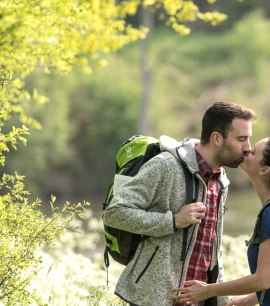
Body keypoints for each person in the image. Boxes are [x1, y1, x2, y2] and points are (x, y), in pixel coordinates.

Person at [102, 101, 256, 306]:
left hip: (199, 298)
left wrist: (219, 297)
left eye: (248, 139)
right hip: (155, 298)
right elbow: (115, 214)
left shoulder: (220, 179)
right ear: (217, 138)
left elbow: (211, 246)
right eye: (241, 139)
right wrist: (173, 220)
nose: (248, 148)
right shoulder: (166, 166)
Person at [173, 137, 270, 306]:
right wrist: (246, 301)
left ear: (264, 170)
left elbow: (262, 280)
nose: (247, 150)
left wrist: (207, 290)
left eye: (253, 152)